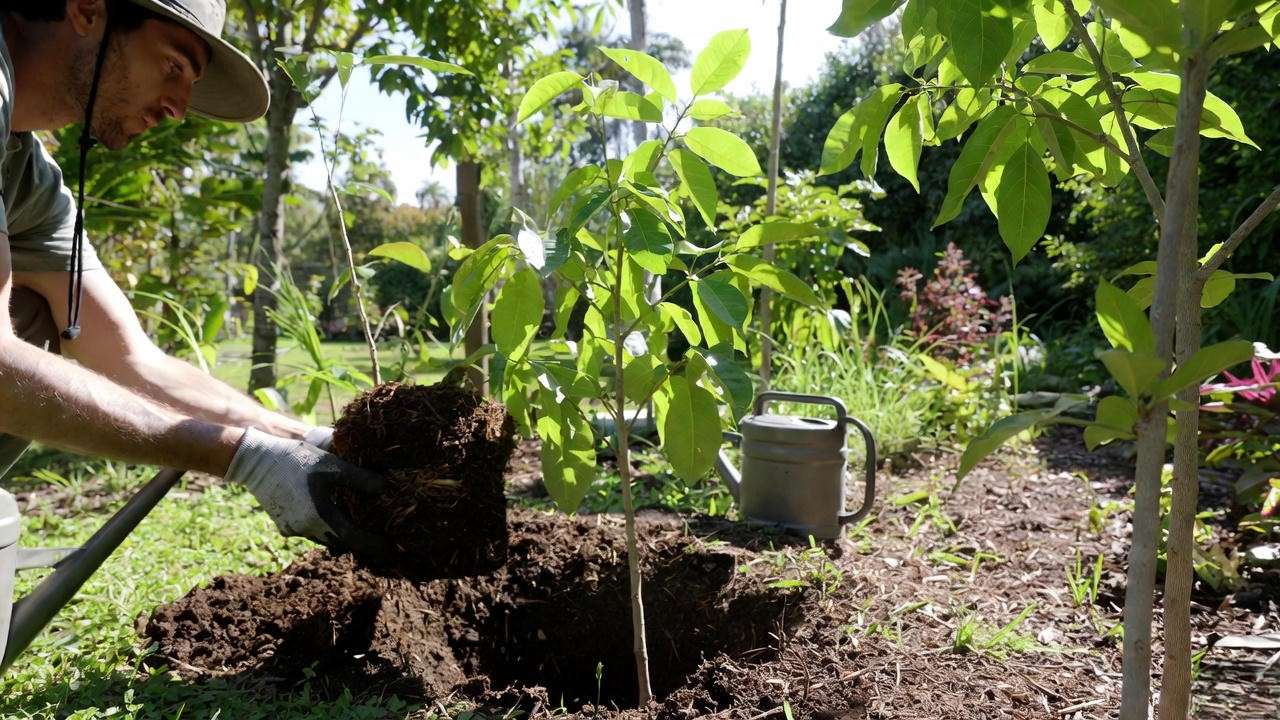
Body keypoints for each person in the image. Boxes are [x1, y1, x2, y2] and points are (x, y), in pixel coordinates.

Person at [0, 0, 386, 554]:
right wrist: (242, 456)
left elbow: (132, 360)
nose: (180, 109)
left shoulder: (28, 178)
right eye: (174, 66)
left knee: (45, 319)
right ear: (87, 10)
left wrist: (304, 440)